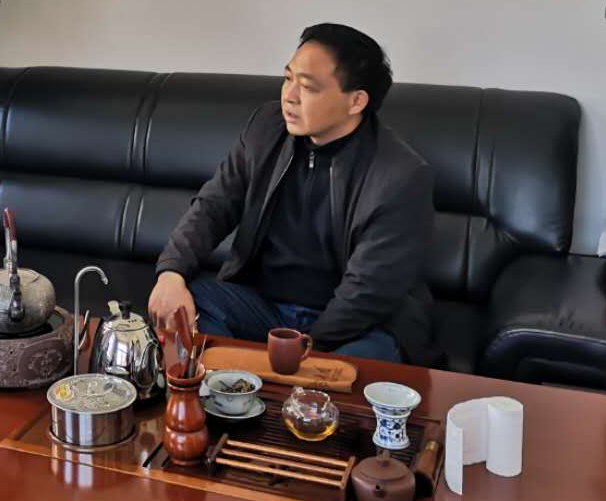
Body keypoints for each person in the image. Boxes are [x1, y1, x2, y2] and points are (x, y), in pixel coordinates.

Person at [147, 24, 440, 366]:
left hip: (355, 326)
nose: (290, 96)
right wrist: (172, 273)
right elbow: (213, 206)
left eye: (308, 87)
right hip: (264, 308)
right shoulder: (266, 127)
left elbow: (367, 291)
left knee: (355, 365)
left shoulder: (401, 174)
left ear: (356, 101)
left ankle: (263, 382)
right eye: (288, 79)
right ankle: (241, 386)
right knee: (185, 305)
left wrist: (304, 351)